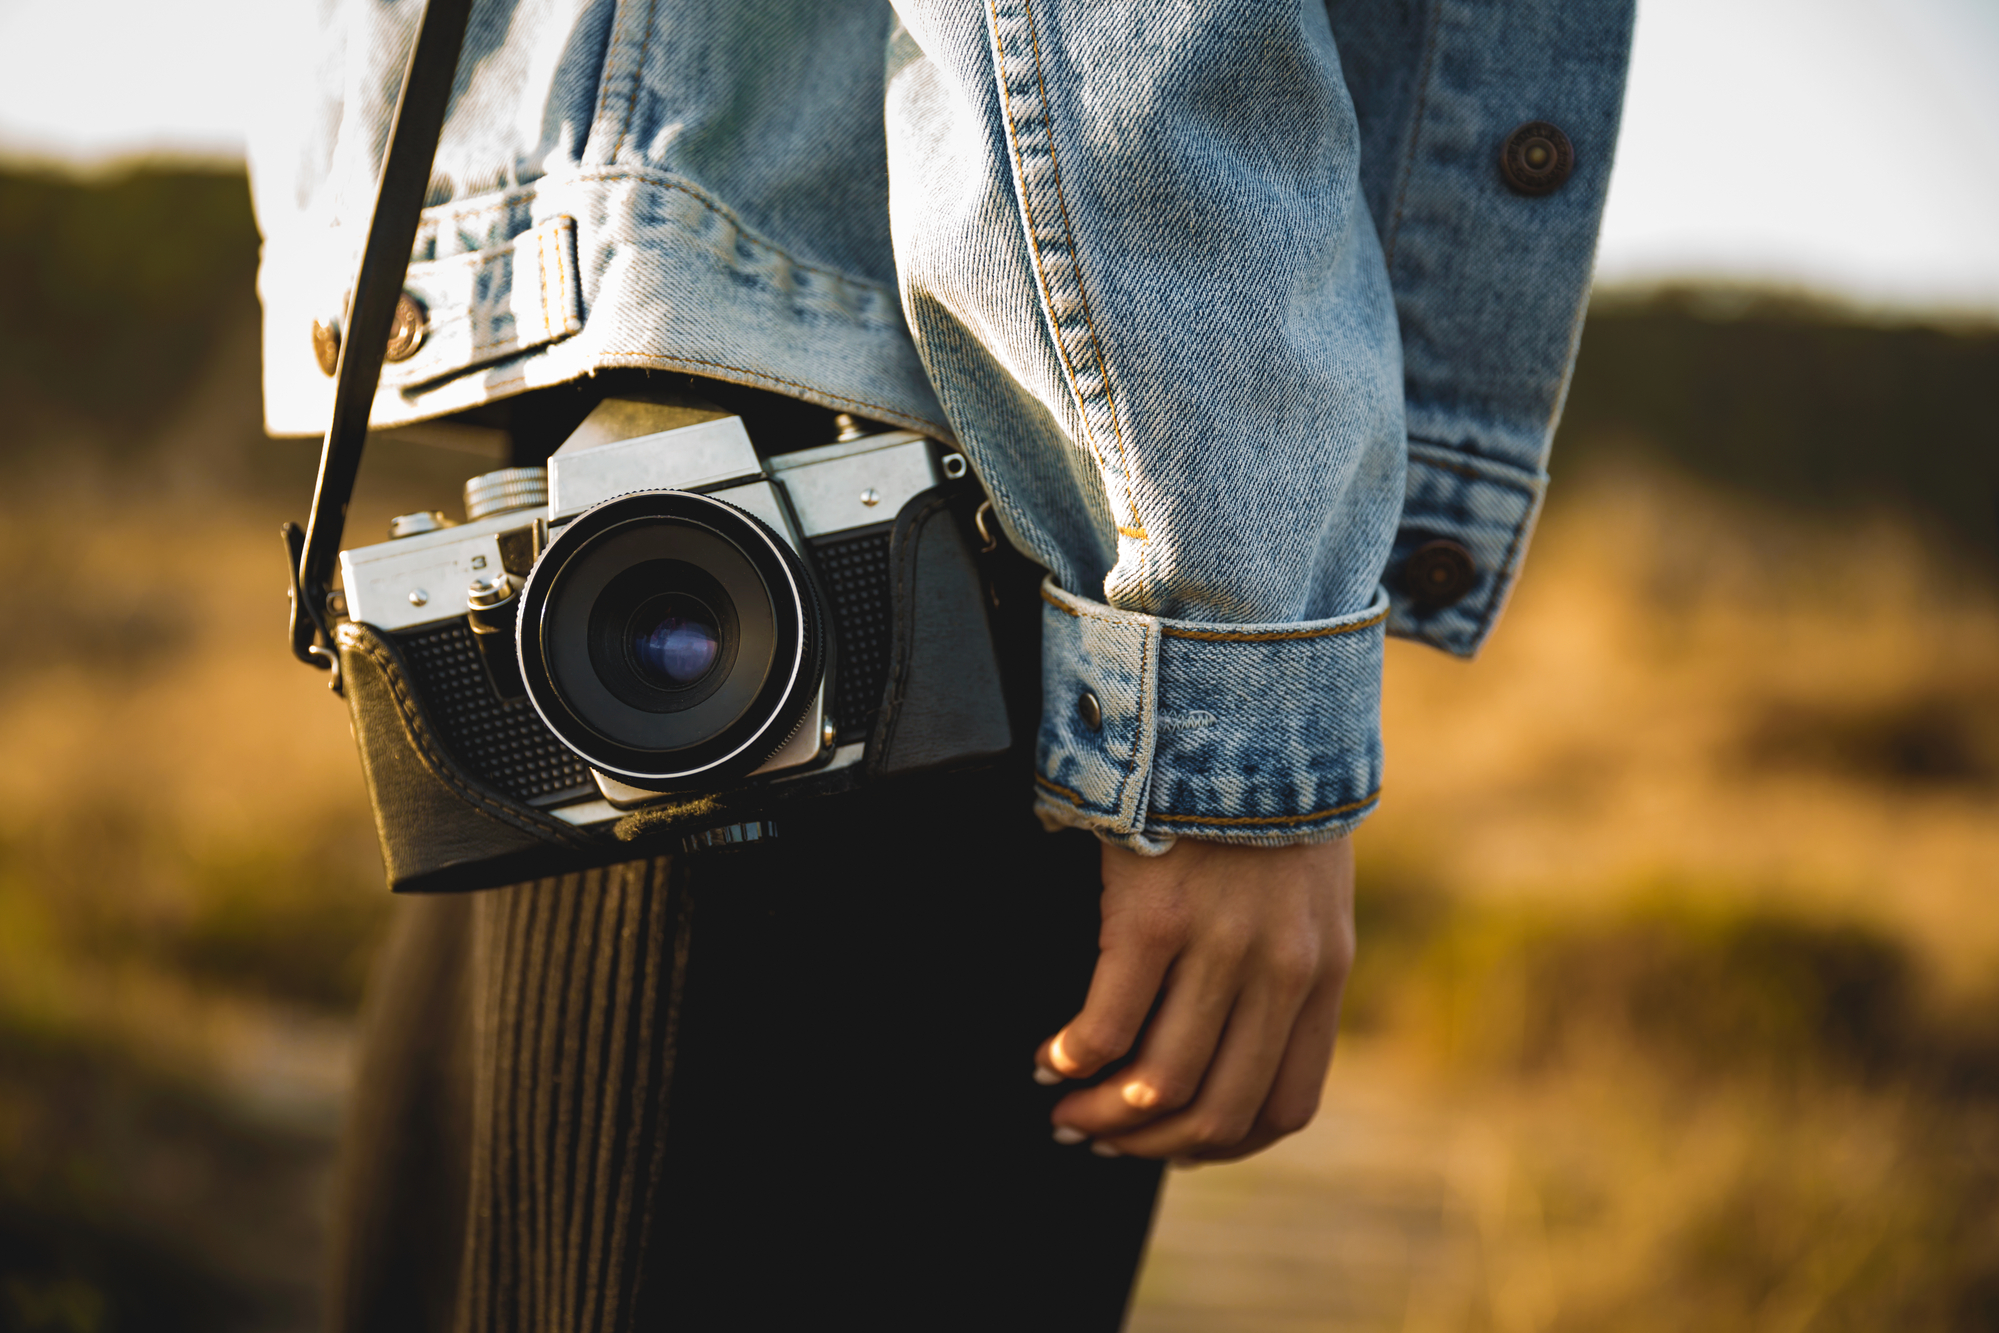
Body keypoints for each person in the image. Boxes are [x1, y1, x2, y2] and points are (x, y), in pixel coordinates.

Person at [251, 1, 1634, 1327]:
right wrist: (1223, 689)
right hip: (961, 506)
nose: (681, 651)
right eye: (668, 646)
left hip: (706, 377)